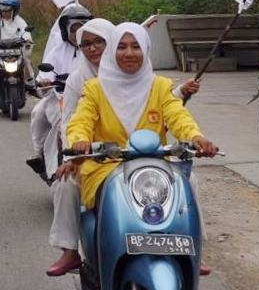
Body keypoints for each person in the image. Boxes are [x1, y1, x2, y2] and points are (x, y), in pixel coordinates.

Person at [67, 22, 218, 212]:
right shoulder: (94, 89)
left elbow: (178, 116)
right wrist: (79, 140)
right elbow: (81, 120)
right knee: (113, 207)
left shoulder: (161, 86)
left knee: (181, 205)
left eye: (136, 46)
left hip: (154, 172)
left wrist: (195, 137)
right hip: (106, 169)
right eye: (121, 47)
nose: (129, 53)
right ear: (112, 50)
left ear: (146, 49)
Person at [45, 18, 114, 275]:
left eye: (99, 41)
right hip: (93, 155)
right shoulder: (80, 80)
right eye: (86, 43)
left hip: (137, 153)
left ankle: (191, 246)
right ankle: (70, 251)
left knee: (186, 181)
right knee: (63, 185)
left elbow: (165, 107)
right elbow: (72, 121)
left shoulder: (137, 73)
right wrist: (73, 154)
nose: (93, 48)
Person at [28, 4, 93, 179]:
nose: (77, 34)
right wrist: (45, 80)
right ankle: (43, 157)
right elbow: (44, 74)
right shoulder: (57, 51)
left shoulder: (94, 50)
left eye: (82, 28)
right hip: (59, 97)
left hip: (90, 99)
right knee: (39, 114)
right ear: (65, 30)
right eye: (73, 29)